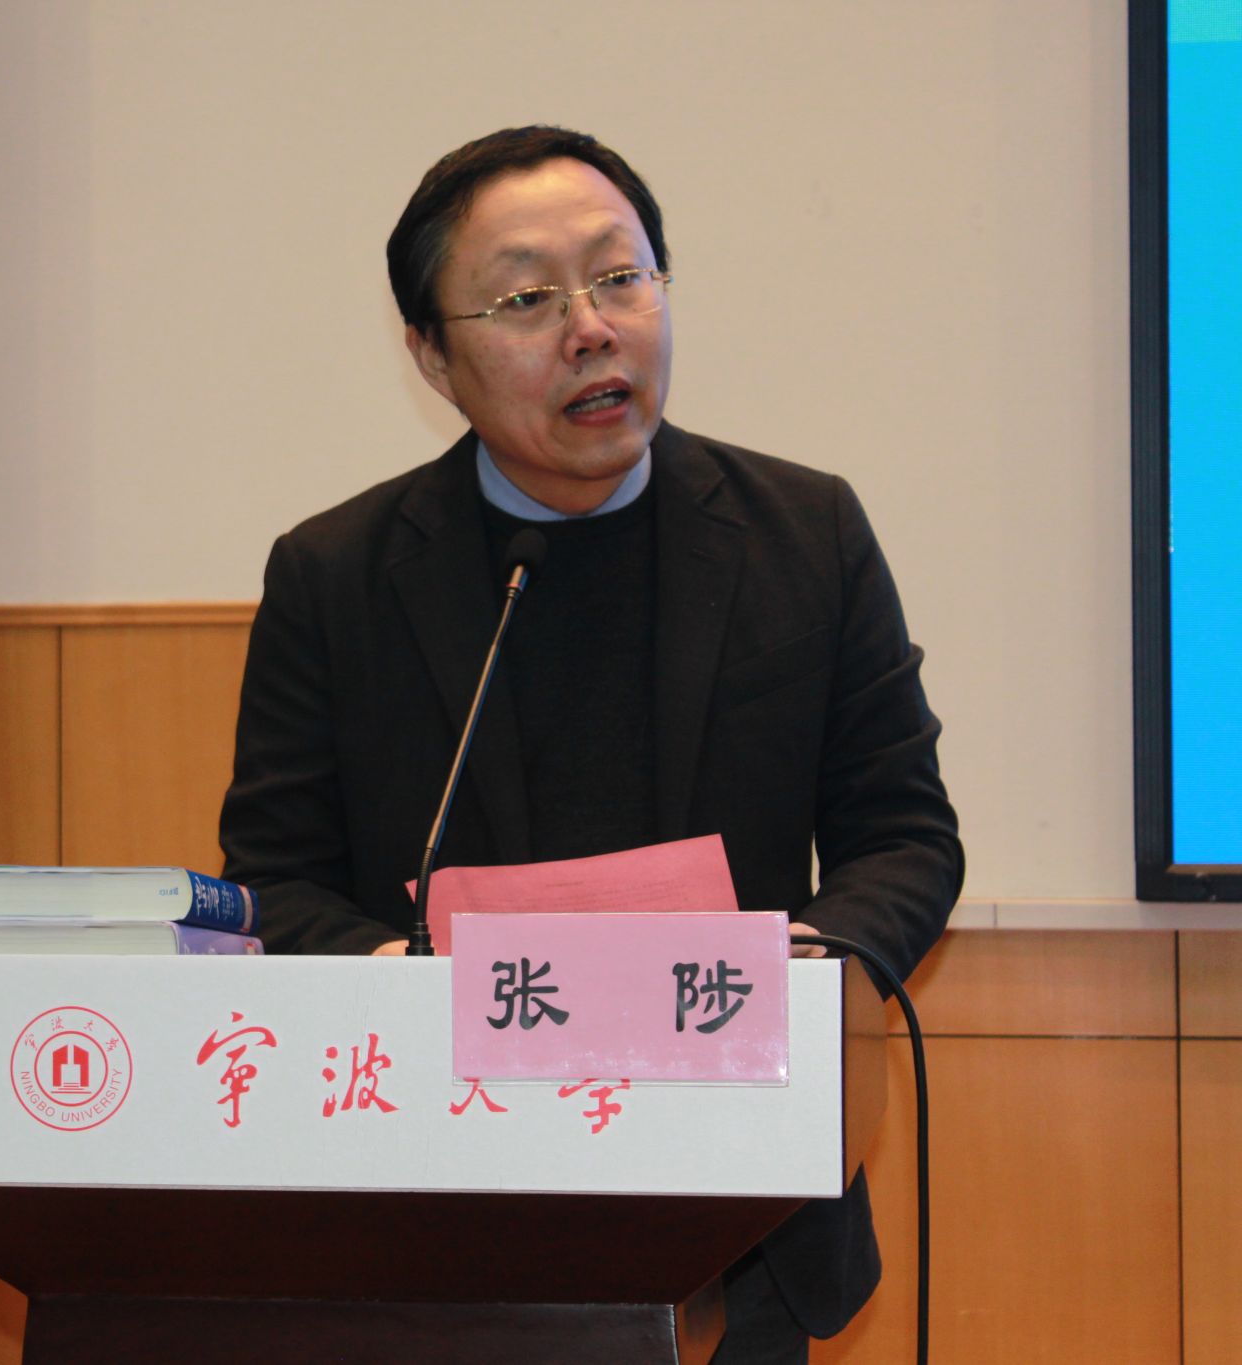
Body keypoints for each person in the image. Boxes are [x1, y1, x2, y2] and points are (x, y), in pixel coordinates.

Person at [217, 125, 962, 1362]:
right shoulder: (335, 576)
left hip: (742, 1199)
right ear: (431, 356)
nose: (591, 329)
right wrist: (396, 973)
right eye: (525, 299)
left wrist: (808, 959)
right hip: (436, 1203)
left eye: (620, 277)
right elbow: (274, 882)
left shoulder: (802, 533)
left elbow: (903, 834)